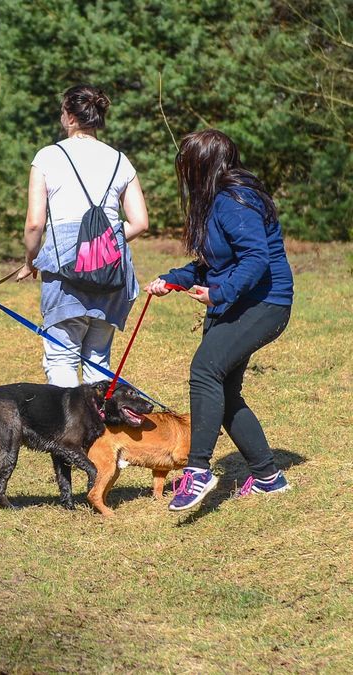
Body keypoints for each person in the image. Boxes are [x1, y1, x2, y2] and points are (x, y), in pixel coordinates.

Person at [146, 129, 294, 510]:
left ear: (204, 165)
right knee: (223, 392)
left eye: (187, 164)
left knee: (205, 369)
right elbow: (215, 263)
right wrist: (174, 280)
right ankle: (268, 477)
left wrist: (219, 294)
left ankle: (197, 470)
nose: (183, 172)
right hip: (241, 301)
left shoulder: (233, 201)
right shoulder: (217, 201)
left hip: (265, 303)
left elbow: (256, 259)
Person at [19, 84, 149, 387]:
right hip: (111, 271)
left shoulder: (48, 157)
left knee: (61, 358)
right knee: (98, 360)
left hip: (66, 270)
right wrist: (102, 242)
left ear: (69, 115)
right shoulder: (120, 160)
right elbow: (140, 222)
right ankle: (99, 418)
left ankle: (66, 420)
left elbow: (35, 224)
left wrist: (30, 261)